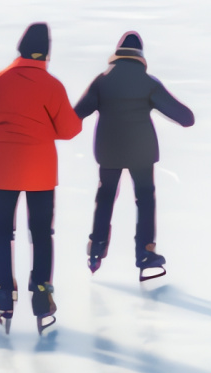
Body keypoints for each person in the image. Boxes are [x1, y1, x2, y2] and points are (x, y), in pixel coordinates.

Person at [0, 22, 83, 333]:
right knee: (40, 233)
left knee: (2, 232)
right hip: (40, 171)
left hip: (2, 169)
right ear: (47, 53)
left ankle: (3, 294)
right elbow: (69, 129)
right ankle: (40, 294)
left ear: (20, 48)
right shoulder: (52, 86)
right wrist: (40, 129)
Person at [72, 30, 195, 280]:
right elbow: (185, 118)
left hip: (109, 150)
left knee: (105, 197)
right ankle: (146, 253)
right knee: (145, 199)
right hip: (142, 151)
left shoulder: (101, 81)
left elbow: (76, 115)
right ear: (140, 56)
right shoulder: (148, 83)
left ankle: (96, 249)